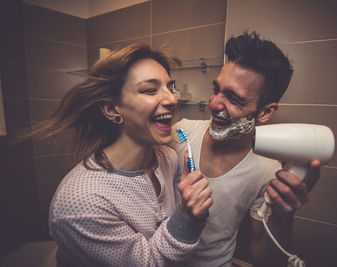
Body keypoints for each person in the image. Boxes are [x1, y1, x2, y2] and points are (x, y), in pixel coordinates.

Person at [20, 44, 213, 266]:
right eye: (150, 90)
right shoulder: (80, 202)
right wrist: (187, 218)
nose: (171, 99)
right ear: (112, 109)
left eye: (170, 87)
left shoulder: (168, 159)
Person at [170, 32, 320, 266]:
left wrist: (283, 217)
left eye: (233, 99)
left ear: (265, 112)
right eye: (216, 89)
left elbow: (261, 247)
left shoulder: (268, 171)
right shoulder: (182, 133)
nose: (214, 103)